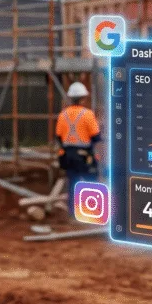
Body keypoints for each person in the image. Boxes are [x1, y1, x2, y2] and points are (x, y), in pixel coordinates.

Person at [55, 82, 101, 215]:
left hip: (68, 155)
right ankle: (91, 211)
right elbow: (96, 136)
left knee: (73, 182)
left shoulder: (63, 115)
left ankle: (73, 212)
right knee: (91, 181)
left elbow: (58, 137)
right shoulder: (88, 114)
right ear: (83, 98)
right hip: (84, 155)